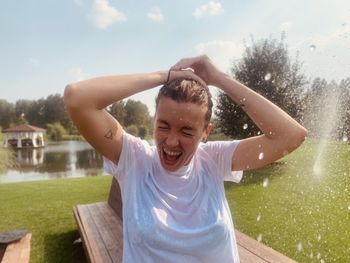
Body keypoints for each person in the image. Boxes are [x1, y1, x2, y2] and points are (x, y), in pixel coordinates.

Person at [64, 55, 307, 263]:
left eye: (187, 131)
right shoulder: (134, 160)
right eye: (164, 126)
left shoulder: (214, 160)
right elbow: (77, 97)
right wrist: (166, 76)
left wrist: (220, 78)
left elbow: (290, 136)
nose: (171, 142)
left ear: (205, 132)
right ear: (154, 120)